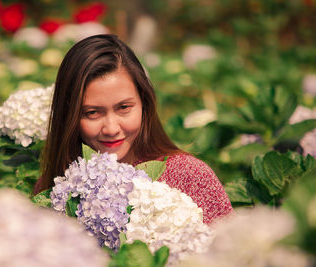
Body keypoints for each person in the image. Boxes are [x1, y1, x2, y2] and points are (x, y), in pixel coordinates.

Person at [34, 34, 233, 224]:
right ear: (68, 116)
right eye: (93, 112)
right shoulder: (56, 185)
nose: (111, 129)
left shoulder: (190, 177)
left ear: (144, 104)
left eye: (124, 108)